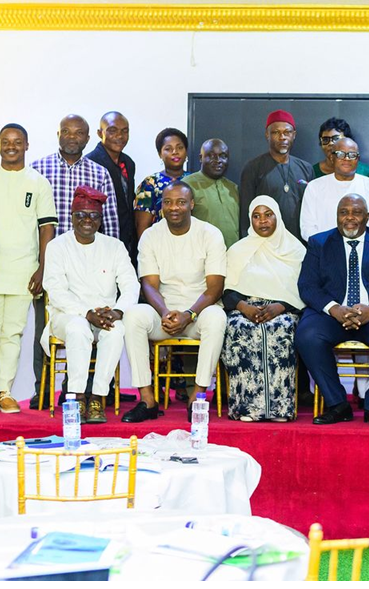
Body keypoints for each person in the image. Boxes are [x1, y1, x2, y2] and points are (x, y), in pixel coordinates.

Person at [0, 124, 57, 415]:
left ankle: (4, 391)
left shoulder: (39, 183)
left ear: (27, 145)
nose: (11, 146)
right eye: (6, 142)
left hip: (24, 273)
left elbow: (47, 228)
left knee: (13, 334)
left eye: (17, 142)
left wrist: (42, 268)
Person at [294, 194, 369, 427]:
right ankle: (338, 404)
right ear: (337, 216)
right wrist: (334, 308)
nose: (350, 218)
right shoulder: (319, 243)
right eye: (344, 212)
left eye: (356, 212)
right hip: (332, 315)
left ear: (367, 216)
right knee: (307, 335)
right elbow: (307, 286)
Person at [30, 114, 120, 407]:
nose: (72, 137)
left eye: (78, 133)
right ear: (57, 134)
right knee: (48, 322)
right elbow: (30, 222)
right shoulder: (38, 169)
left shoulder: (99, 172)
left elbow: (111, 223)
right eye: (66, 132)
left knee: (90, 326)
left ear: (87, 137)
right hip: (49, 261)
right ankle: (43, 390)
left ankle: (83, 393)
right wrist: (39, 265)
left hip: (92, 262)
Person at [121, 182, 227, 422]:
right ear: (161, 207)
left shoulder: (210, 234)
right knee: (133, 316)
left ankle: (197, 398)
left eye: (180, 202)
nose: (174, 208)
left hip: (198, 313)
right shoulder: (150, 235)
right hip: (164, 314)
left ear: (192, 204)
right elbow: (149, 284)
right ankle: (147, 400)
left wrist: (188, 314)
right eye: (168, 202)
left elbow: (215, 287)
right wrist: (166, 313)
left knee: (217, 318)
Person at [42, 186, 139, 423]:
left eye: (94, 216)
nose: (88, 221)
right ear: (71, 217)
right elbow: (55, 290)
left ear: (101, 219)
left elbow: (131, 285)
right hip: (68, 314)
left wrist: (117, 311)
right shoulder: (57, 246)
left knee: (117, 331)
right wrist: (85, 313)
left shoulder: (114, 246)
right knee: (78, 328)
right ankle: (76, 398)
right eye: (81, 215)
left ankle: (97, 397)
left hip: (105, 315)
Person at [221, 196, 306, 422]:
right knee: (239, 328)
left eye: (268, 215)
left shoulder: (295, 249)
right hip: (245, 309)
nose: (263, 221)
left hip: (284, 310)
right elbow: (227, 289)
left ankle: (280, 409)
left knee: (281, 329)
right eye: (256, 216)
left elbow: (303, 289)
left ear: (277, 216)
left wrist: (281, 306)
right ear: (250, 220)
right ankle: (246, 408)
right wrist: (244, 307)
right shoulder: (239, 249)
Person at [238, 110, 313, 242]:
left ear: (293, 135)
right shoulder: (253, 168)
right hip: (265, 246)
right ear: (267, 134)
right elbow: (246, 214)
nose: (282, 137)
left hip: (299, 245)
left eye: (287, 132)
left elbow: (312, 212)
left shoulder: (306, 168)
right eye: (276, 132)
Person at [300, 137, 369, 241]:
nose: (346, 158)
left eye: (352, 155)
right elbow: (307, 228)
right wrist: (328, 247)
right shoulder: (314, 187)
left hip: (367, 252)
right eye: (340, 154)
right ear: (331, 158)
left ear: (358, 159)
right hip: (325, 251)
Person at [86, 111, 138, 263]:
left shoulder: (128, 162)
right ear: (99, 133)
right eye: (112, 131)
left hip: (126, 239)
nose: (119, 136)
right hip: (99, 242)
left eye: (125, 131)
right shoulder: (90, 163)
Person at [183, 139, 240, 248]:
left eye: (223, 156)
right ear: (201, 158)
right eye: (212, 156)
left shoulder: (233, 188)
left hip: (233, 256)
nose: (218, 160)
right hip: (201, 256)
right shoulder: (187, 186)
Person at [133, 127, 189, 239]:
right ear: (160, 154)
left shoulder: (194, 181)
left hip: (191, 244)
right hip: (160, 245)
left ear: (186, 151)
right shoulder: (149, 184)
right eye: (168, 149)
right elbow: (142, 226)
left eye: (180, 147)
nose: (175, 152)